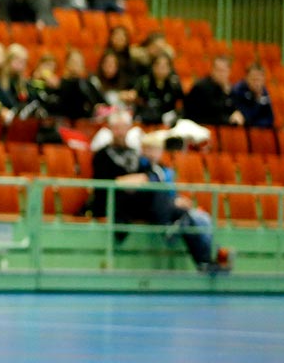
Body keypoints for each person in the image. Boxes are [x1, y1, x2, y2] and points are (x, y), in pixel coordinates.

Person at [87, 115, 228, 273]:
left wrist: (173, 199)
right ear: (111, 129)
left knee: (189, 215)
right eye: (117, 127)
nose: (120, 132)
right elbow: (108, 183)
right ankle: (166, 226)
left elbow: (146, 177)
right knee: (157, 189)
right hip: (117, 202)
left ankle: (204, 261)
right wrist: (133, 180)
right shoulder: (102, 155)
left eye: (124, 127)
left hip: (143, 201)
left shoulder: (135, 155)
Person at [184, 55, 244, 127]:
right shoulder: (201, 87)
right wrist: (228, 119)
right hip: (199, 126)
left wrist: (236, 114)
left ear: (229, 72)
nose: (221, 74)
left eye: (224, 71)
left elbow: (233, 109)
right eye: (218, 70)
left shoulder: (230, 89)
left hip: (221, 127)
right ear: (212, 70)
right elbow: (210, 113)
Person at [132, 52, 182, 127]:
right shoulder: (144, 82)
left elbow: (181, 104)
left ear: (170, 68)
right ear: (153, 66)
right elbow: (136, 101)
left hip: (168, 120)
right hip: (146, 119)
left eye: (165, 66)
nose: (161, 69)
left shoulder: (174, 83)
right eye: (159, 66)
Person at [56, 50, 103, 122]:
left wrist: (99, 107)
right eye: (75, 61)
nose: (78, 64)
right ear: (67, 63)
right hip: (70, 123)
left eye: (80, 62)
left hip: (91, 121)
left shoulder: (87, 82)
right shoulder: (61, 84)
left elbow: (101, 100)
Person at [231, 63, 275, 130]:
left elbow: (269, 118)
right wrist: (257, 99)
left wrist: (258, 126)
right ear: (246, 78)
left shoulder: (264, 92)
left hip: (258, 131)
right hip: (243, 130)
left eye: (259, 79)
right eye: (254, 79)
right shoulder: (238, 90)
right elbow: (244, 116)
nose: (256, 83)